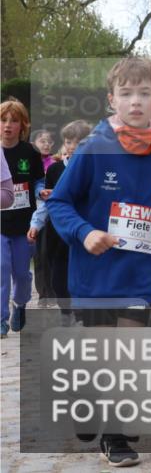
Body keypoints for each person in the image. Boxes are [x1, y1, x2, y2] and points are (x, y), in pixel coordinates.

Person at [46, 56, 151, 467]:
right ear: (112, 99)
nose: (135, 101)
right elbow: (59, 203)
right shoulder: (94, 147)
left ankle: (117, 438)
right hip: (94, 275)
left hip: (139, 274)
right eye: (126, 94)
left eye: (144, 93)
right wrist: (86, 233)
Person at [29, 120, 93, 324]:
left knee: (83, 275)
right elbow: (47, 202)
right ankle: (66, 311)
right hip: (58, 231)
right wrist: (36, 224)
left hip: (84, 231)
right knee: (57, 277)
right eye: (68, 141)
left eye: (78, 142)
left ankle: (82, 315)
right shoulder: (55, 170)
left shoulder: (93, 168)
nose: (73, 146)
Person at [1, 99, 45, 338]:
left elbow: (39, 180)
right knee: (1, 268)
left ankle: (20, 304)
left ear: (23, 126)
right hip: (0, 224)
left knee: (20, 273)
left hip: (24, 225)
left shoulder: (30, 152)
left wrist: (40, 191)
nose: (8, 125)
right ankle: (0, 319)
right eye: (3, 120)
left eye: (14, 121)